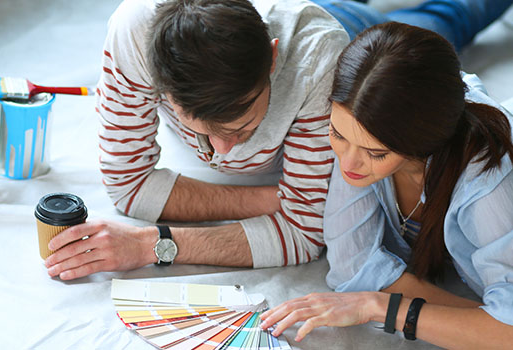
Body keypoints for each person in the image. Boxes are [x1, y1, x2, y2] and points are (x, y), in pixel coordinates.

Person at [44, 0, 512, 281]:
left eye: (243, 127)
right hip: (269, 19)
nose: (221, 154)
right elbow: (129, 187)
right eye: (200, 131)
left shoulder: (318, 62)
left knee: (444, 20)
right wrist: (277, 199)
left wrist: (153, 245)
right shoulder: (134, 34)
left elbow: (306, 235)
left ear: (271, 61)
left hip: (354, 47)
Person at [259, 22, 513, 348]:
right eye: (337, 135)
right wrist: (480, 322)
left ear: (424, 143)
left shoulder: (490, 185)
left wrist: (379, 306)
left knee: (457, 12)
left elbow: (506, 332)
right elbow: (351, 267)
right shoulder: (362, 123)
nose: (347, 164)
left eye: (376, 153)